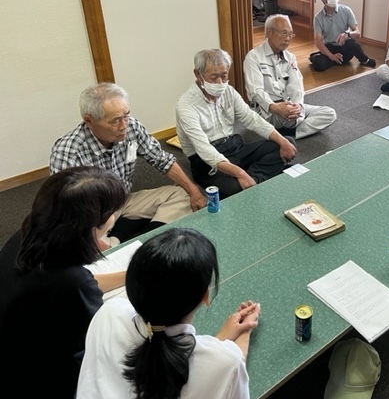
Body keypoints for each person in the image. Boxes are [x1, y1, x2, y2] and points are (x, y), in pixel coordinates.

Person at [77, 228, 261, 399]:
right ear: (205, 296)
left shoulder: (109, 313)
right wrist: (243, 335)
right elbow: (225, 371)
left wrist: (220, 341)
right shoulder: (225, 362)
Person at [0, 166, 127, 398]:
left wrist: (127, 276)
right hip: (47, 379)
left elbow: (76, 285)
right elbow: (101, 335)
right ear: (91, 226)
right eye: (112, 212)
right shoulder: (72, 283)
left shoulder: (23, 239)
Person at [50, 83, 206, 244]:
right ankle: (119, 238)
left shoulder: (132, 126)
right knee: (82, 248)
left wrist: (194, 191)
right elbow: (67, 209)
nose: (124, 126)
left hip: (123, 200)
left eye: (126, 116)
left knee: (183, 194)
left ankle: (141, 242)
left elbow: (162, 160)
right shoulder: (67, 151)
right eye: (115, 121)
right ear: (89, 121)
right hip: (92, 217)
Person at [176, 48, 297, 199]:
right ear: (198, 74)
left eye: (224, 75)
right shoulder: (186, 105)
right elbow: (204, 150)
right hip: (207, 163)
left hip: (234, 147)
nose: (220, 82)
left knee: (285, 144)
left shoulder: (229, 91)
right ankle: (254, 179)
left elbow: (251, 118)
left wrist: (282, 140)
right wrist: (240, 173)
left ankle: (251, 182)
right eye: (213, 77)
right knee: (234, 188)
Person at [244, 14, 336, 139]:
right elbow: (255, 91)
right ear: (269, 32)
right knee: (286, 118)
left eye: (290, 34)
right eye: (284, 33)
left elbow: (297, 85)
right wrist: (275, 107)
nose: (288, 39)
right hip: (266, 110)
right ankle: (287, 129)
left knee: (329, 113)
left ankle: (287, 134)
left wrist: (298, 106)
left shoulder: (290, 57)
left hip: (288, 106)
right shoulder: (254, 56)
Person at [310, 0, 376, 72]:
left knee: (352, 44)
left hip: (345, 46)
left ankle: (365, 60)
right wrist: (331, 56)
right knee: (319, 64)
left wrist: (347, 34)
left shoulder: (346, 10)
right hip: (330, 47)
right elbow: (318, 41)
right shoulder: (318, 17)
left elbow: (357, 33)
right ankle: (325, 58)